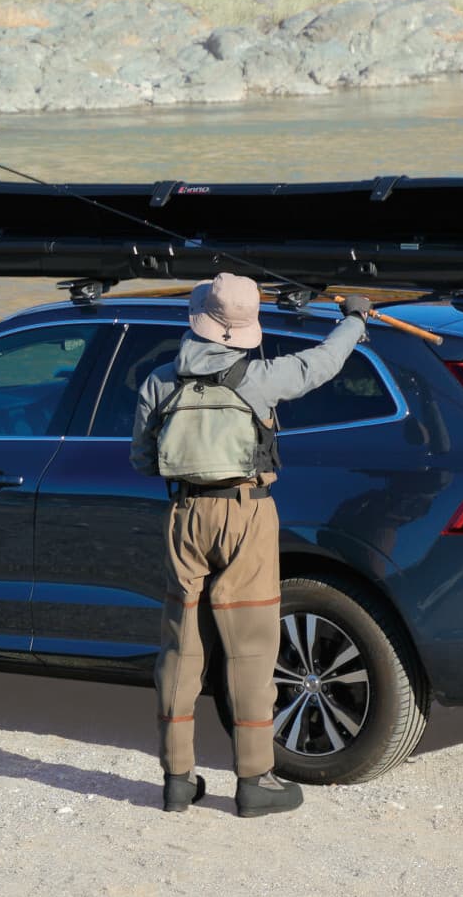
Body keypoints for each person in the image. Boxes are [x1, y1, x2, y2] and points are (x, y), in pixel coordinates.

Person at [130, 272, 371, 818]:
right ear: (242, 330)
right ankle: (254, 780)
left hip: (184, 514)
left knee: (181, 648)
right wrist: (354, 320)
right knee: (252, 648)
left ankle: (175, 780)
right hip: (246, 515)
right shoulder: (262, 378)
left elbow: (142, 460)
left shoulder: (158, 382)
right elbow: (324, 364)